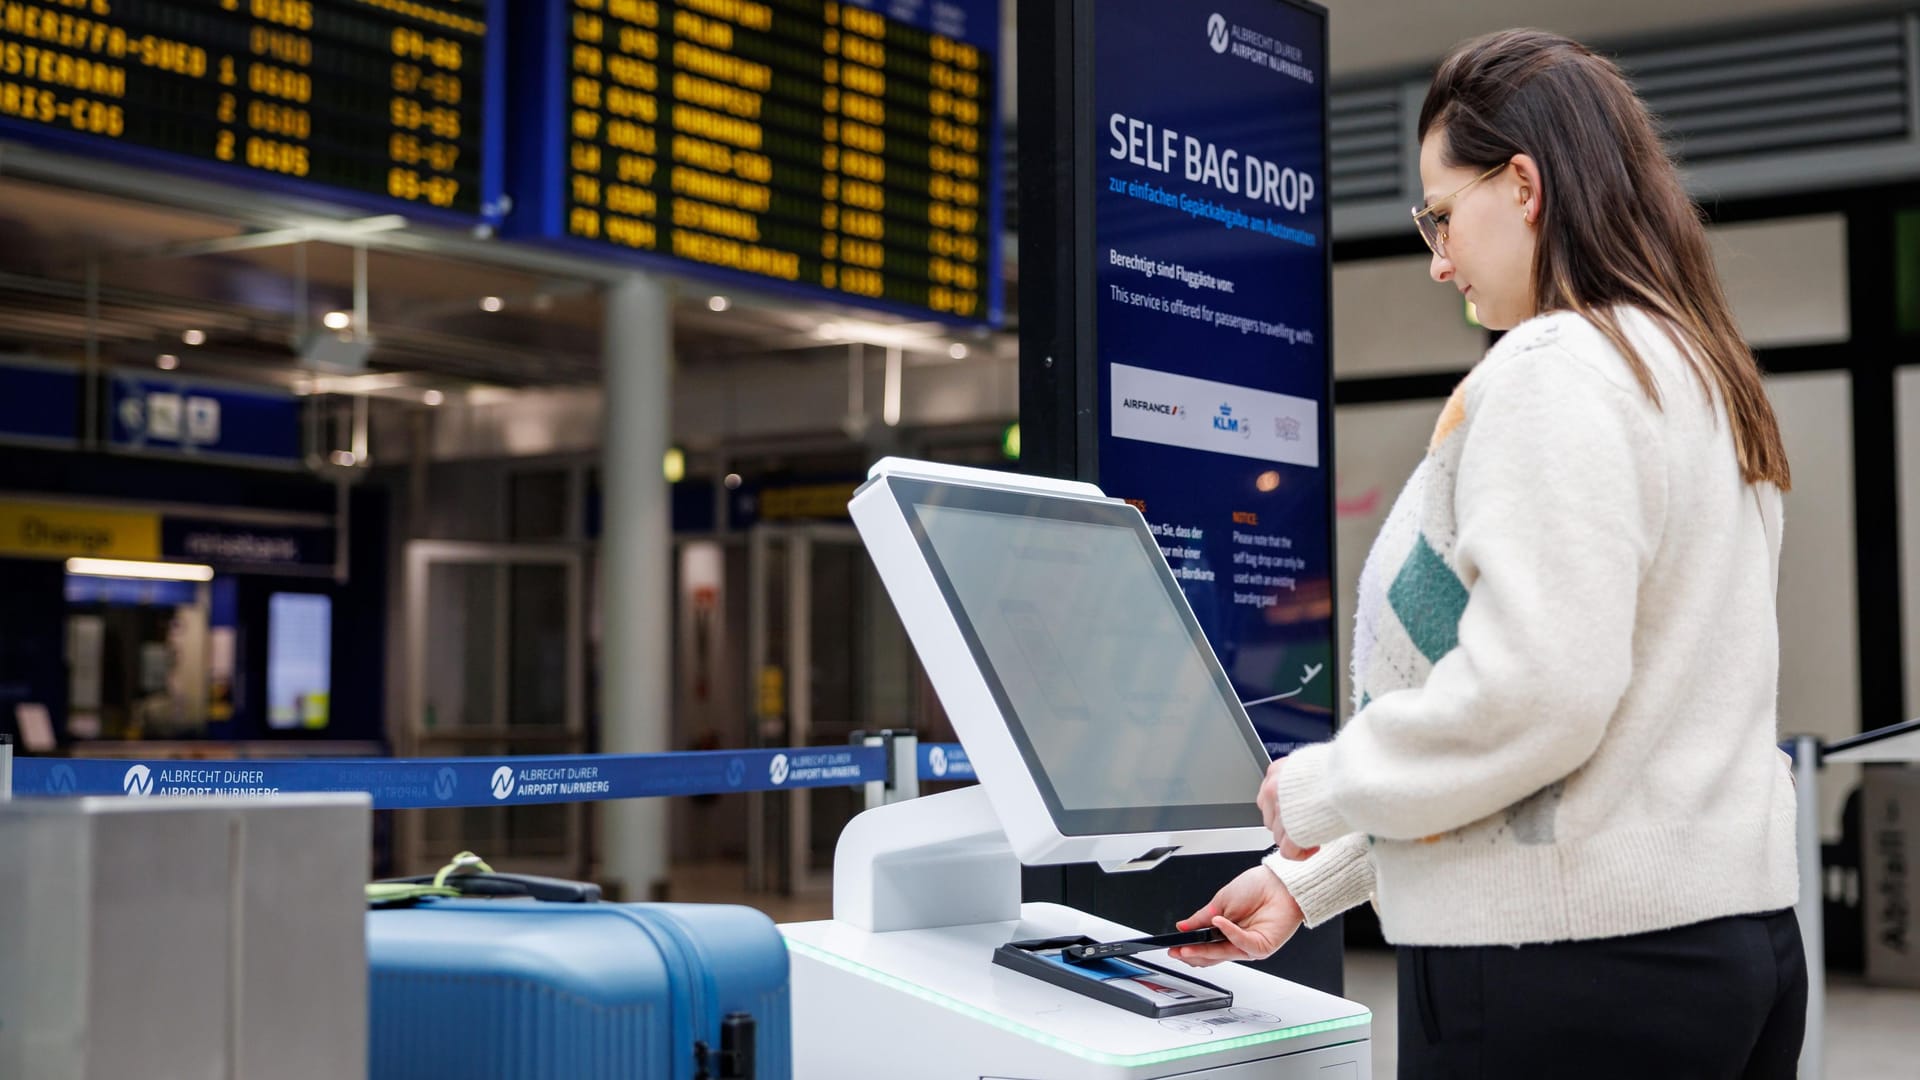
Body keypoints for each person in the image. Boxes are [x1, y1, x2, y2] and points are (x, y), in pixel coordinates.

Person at [1169, 28, 1807, 1078]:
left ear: (1522, 185)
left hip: (1566, 978)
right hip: (1729, 952)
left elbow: (1536, 697)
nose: (1437, 257)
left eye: (1441, 212)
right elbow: (1589, 745)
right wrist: (1314, 880)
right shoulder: (1699, 374)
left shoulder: (1554, 367)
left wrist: (1325, 787)